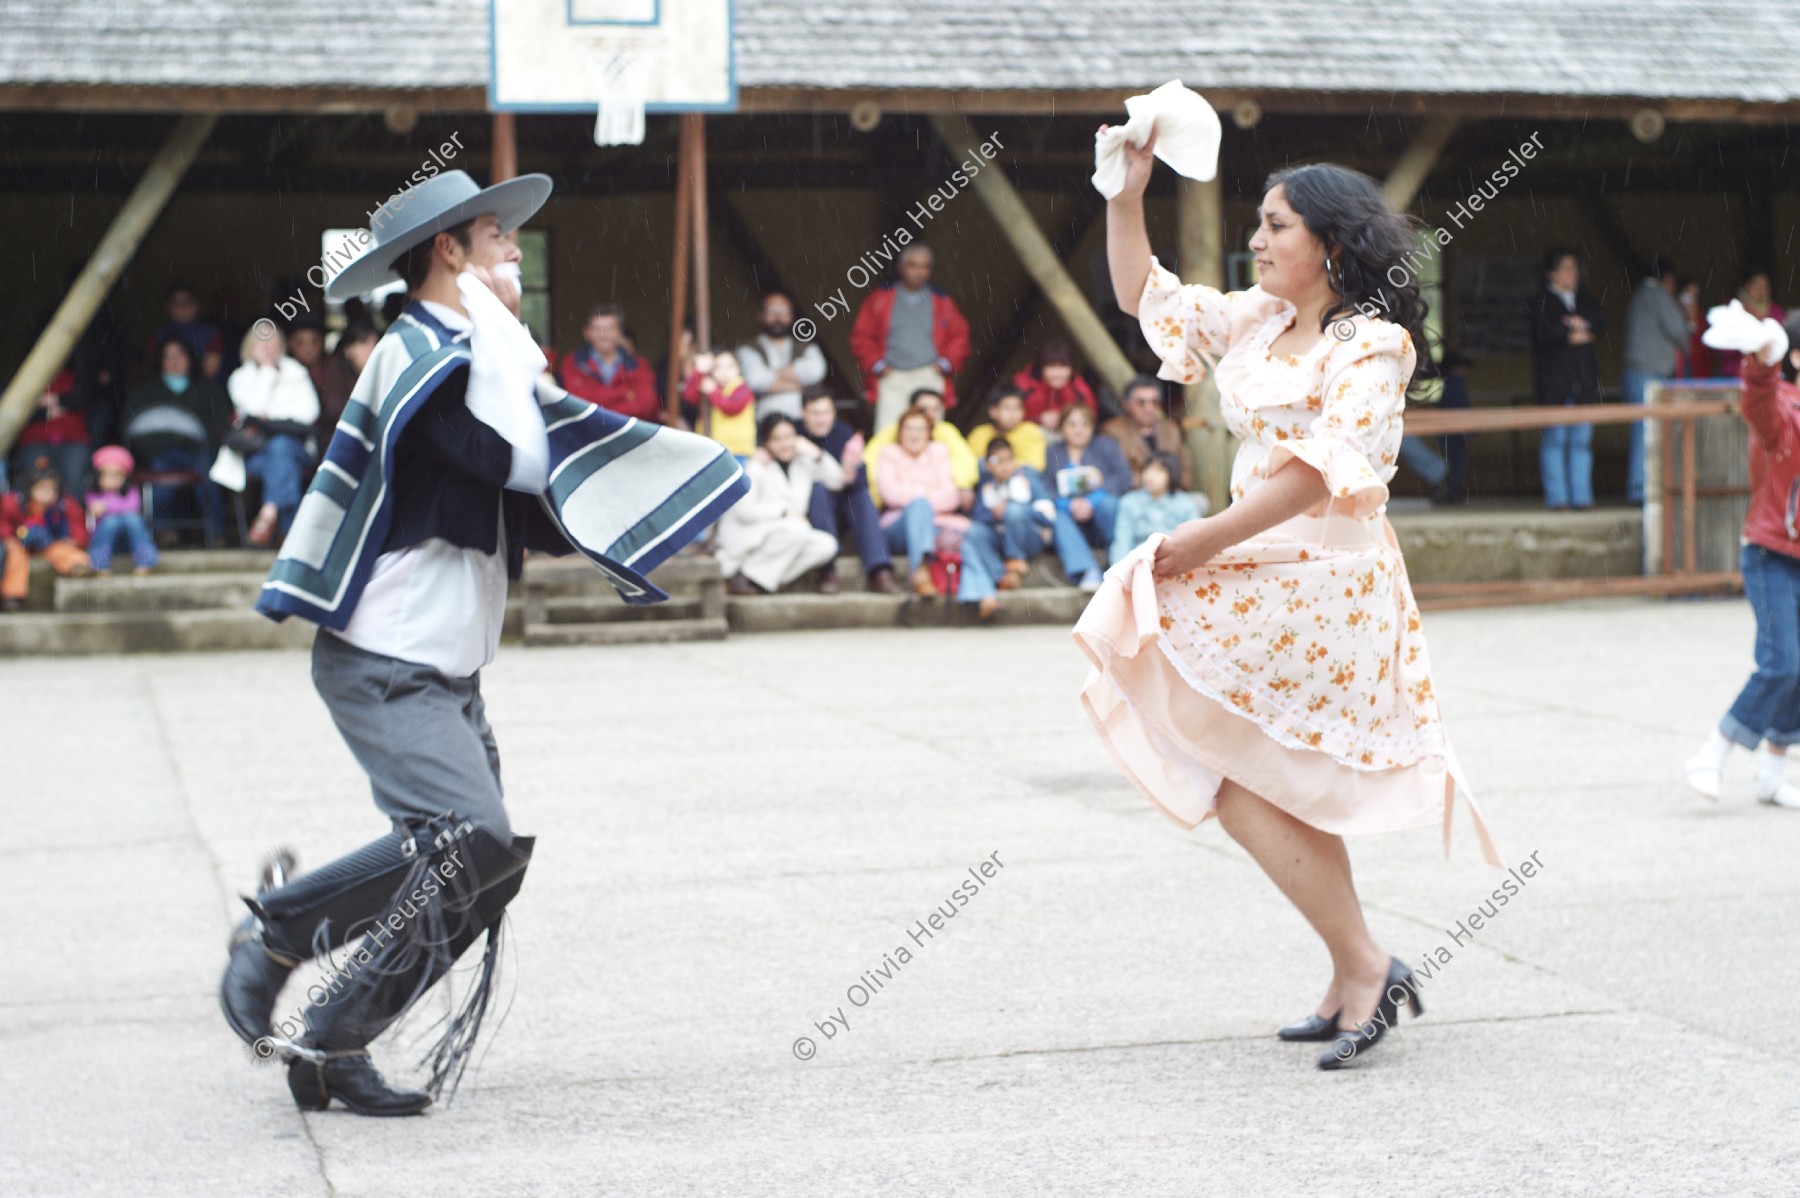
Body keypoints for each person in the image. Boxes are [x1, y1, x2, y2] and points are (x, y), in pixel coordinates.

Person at [220, 169, 746, 1118]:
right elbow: (502, 463)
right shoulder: (420, 357)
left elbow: (530, 509)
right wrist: (534, 380)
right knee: (471, 843)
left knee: (478, 865)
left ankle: (332, 1040)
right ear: (449, 252)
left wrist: (634, 501)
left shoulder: (479, 357)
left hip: (444, 662)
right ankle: (281, 937)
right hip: (386, 656)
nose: (515, 250)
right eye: (497, 236)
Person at [1078, 143, 1500, 1073]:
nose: (1256, 240)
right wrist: (1129, 192)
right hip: (1261, 561)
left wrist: (1205, 538)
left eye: (1276, 226)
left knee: (1245, 781)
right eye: (1259, 223)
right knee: (1260, 780)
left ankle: (1365, 964)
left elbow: (1325, 472)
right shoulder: (1261, 319)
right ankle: (1358, 972)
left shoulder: (1371, 343)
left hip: (1323, 580)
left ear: (1332, 245)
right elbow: (1142, 294)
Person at [1682, 304, 1800, 809]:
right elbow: (1756, 399)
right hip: (1770, 554)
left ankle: (1773, 771)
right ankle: (1713, 751)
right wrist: (1763, 361)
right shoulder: (1783, 411)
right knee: (1781, 663)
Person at [122, 336, 232, 544]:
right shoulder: (145, 391)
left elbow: (219, 426)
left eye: (180, 355)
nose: (174, 361)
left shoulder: (207, 389)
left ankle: (216, 533)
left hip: (199, 453)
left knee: (210, 474)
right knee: (159, 470)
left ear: (190, 358)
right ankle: (164, 531)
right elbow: (132, 428)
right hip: (158, 453)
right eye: (168, 356)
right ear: (160, 361)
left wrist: (192, 442)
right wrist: (167, 442)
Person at [850, 244, 971, 431]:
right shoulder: (880, 299)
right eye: (913, 265)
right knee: (887, 432)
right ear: (900, 267)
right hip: (893, 377)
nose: (920, 271)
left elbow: (959, 335)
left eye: (925, 266)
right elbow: (862, 336)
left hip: (929, 375)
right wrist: (878, 365)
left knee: (931, 433)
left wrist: (946, 362)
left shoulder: (942, 301)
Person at [717, 414, 842, 595]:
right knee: (797, 529)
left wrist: (815, 453)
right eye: (776, 438)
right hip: (752, 534)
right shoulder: (757, 465)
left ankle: (752, 579)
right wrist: (782, 512)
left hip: (788, 536)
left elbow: (837, 481)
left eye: (789, 437)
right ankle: (746, 576)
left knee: (827, 545)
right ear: (766, 442)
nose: (784, 444)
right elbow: (743, 511)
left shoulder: (804, 462)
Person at [218, 325, 320, 545]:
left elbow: (310, 412)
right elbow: (253, 407)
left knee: (282, 446)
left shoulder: (295, 371)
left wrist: (271, 419)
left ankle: (269, 513)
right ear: (250, 346)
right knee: (282, 459)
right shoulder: (240, 377)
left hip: (297, 448)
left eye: (271, 341)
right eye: (261, 341)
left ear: (280, 345)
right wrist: (266, 373)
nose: (267, 347)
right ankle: (287, 533)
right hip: (256, 453)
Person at [1529, 246, 1608, 510]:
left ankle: (1582, 498)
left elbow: (1600, 320)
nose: (1572, 274)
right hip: (1554, 385)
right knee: (1555, 440)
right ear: (1552, 273)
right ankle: (1558, 498)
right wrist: (1571, 332)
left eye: (1575, 268)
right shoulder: (1542, 301)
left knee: (1582, 442)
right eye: (1566, 268)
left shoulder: (1584, 298)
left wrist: (1576, 326)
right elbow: (1547, 333)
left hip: (1583, 383)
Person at [798, 385, 898, 594]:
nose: (820, 419)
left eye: (825, 412)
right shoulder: (792, 434)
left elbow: (860, 478)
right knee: (819, 491)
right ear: (803, 413)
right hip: (807, 513)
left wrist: (850, 474)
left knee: (860, 495)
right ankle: (827, 569)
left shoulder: (844, 432)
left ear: (833, 413)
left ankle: (880, 569)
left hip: (843, 511)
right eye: (815, 413)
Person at [973, 436, 1103, 592]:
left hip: (1030, 537)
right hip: (1001, 539)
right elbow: (978, 518)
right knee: (973, 532)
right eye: (997, 461)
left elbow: (1048, 513)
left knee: (1015, 511)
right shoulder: (986, 486)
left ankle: (1015, 561)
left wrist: (1016, 509)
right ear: (987, 465)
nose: (1004, 466)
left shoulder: (1028, 480)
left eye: (1009, 460)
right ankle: (1000, 576)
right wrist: (994, 515)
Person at [1621, 260, 1695, 504]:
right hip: (1650, 375)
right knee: (1648, 432)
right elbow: (1679, 331)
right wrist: (1690, 324)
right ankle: (1642, 490)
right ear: (1668, 279)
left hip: (1634, 373)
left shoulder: (1640, 295)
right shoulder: (1658, 294)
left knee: (1640, 431)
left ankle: (1637, 487)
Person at [875, 407, 969, 597]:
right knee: (918, 505)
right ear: (900, 432)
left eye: (920, 429)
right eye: (909, 428)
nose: (914, 434)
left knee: (973, 533)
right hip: (899, 527)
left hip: (937, 526)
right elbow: (890, 494)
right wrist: (924, 495)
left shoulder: (939, 451)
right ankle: (919, 571)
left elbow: (951, 496)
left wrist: (916, 500)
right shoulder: (889, 453)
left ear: (929, 433)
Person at [861, 387, 978, 508]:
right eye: (924, 408)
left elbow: (964, 459)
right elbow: (869, 462)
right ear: (911, 409)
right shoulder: (894, 431)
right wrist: (876, 497)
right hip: (897, 504)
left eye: (936, 409)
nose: (930, 413)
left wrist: (964, 485)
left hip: (940, 503)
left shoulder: (945, 431)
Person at [1, 461, 93, 610]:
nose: (47, 493)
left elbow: (78, 526)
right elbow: (3, 523)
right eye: (42, 488)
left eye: (52, 489)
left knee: (61, 550)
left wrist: (75, 540)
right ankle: (12, 595)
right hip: (20, 543)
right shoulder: (14, 502)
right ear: (30, 488)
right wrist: (8, 539)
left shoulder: (64, 504)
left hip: (49, 542)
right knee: (15, 557)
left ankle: (79, 566)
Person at [1046, 403, 1132, 560]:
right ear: (1062, 427)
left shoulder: (1106, 445)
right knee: (1057, 516)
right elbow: (1047, 486)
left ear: (1093, 427)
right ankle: (1086, 571)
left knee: (1109, 504)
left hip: (1102, 516)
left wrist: (1092, 501)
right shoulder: (1053, 452)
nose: (1079, 430)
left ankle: (1115, 556)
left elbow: (1123, 477)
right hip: (1070, 516)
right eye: (1072, 424)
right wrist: (1069, 505)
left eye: (1085, 424)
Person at [558, 305, 661, 421]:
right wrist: (624, 396)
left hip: (626, 434)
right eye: (597, 329)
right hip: (584, 433)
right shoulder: (573, 362)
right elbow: (574, 405)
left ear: (620, 332)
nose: (604, 335)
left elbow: (647, 406)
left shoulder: (638, 365)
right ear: (587, 332)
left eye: (610, 328)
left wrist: (597, 401)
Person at [736, 293, 827, 422]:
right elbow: (755, 380)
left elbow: (817, 371)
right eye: (772, 311)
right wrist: (800, 384)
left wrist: (770, 375)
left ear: (792, 315)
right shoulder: (748, 348)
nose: (778, 317)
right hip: (764, 421)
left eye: (784, 311)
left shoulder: (806, 345)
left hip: (805, 421)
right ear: (760, 315)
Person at [7, 368, 90, 498]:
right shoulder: (26, 380)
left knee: (74, 476)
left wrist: (54, 399)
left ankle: (73, 515)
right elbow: (16, 411)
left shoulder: (76, 377)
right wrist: (50, 411)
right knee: (36, 477)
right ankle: (34, 516)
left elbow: (85, 399)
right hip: (35, 440)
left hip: (72, 439)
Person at [1109, 451, 1201, 564]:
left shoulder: (1185, 504)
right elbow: (1122, 541)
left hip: (1175, 563)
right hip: (1139, 563)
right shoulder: (1129, 502)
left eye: (1159, 471)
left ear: (1172, 474)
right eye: (1147, 469)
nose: (1150, 475)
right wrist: (1121, 571)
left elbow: (1194, 540)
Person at [1102, 376, 1192, 490]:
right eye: (1141, 403)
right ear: (1127, 405)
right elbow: (1114, 473)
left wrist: (1167, 483)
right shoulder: (1113, 431)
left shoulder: (1170, 429)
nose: (1148, 408)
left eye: (1154, 402)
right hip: (1134, 494)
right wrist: (1153, 482)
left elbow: (1184, 469)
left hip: (1170, 492)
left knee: (1199, 502)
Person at [290, 315, 366, 443]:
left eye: (314, 342)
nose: (308, 348)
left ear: (323, 342)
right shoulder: (284, 372)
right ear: (290, 343)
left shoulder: (338, 369)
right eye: (300, 342)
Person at [85, 445, 158, 575]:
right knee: (111, 521)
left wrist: (107, 506)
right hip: (105, 541)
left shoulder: (131, 492)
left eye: (116, 475)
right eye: (107, 475)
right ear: (98, 476)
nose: (112, 480)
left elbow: (133, 506)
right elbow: (93, 510)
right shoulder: (93, 493)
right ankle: (99, 563)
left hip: (129, 542)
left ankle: (145, 561)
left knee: (133, 519)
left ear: (125, 477)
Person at [1708, 268, 1786, 380]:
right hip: (1733, 377)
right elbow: (1723, 349)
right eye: (1757, 286)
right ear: (1745, 286)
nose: (1762, 291)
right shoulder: (1731, 310)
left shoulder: (1775, 311)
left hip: (1766, 377)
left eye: (1765, 286)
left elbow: (1779, 346)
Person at [683, 349, 758, 458]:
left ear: (738, 368)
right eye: (717, 367)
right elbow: (689, 396)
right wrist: (699, 372)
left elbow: (732, 407)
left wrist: (713, 392)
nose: (724, 372)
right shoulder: (710, 387)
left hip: (736, 450)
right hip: (712, 450)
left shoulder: (742, 388)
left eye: (729, 367)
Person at [1012, 339, 1098, 431]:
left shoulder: (1078, 387)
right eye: (1051, 366)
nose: (1057, 373)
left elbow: (1091, 418)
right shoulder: (1024, 384)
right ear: (1041, 367)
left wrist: (1065, 420)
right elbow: (1008, 417)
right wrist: (1038, 419)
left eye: (1063, 366)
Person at [145, 282, 224, 380]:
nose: (182, 307)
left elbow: (210, 370)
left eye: (188, 302)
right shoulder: (158, 335)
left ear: (197, 305)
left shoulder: (211, 333)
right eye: (176, 303)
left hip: (201, 389)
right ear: (168, 307)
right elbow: (152, 369)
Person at [966, 387, 1048, 472]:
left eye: (1017, 408)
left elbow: (1035, 465)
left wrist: (999, 463)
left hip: (1021, 478)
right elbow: (970, 464)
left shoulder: (1030, 431)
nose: (1013, 413)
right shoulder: (979, 433)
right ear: (993, 411)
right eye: (1007, 408)